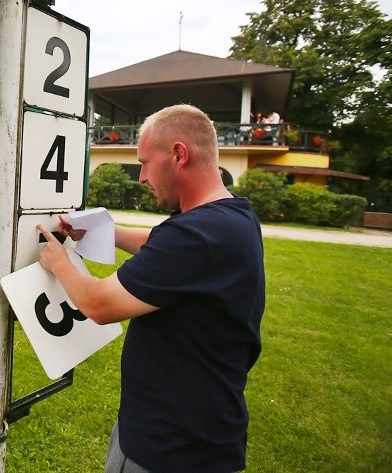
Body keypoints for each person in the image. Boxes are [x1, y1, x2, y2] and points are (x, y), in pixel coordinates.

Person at [36, 104, 265, 473]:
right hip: (204, 436)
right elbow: (161, 245)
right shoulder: (232, 217)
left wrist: (58, 262)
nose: (141, 176)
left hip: (166, 446)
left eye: (144, 162)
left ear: (178, 154)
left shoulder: (197, 235)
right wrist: (97, 231)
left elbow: (99, 304)